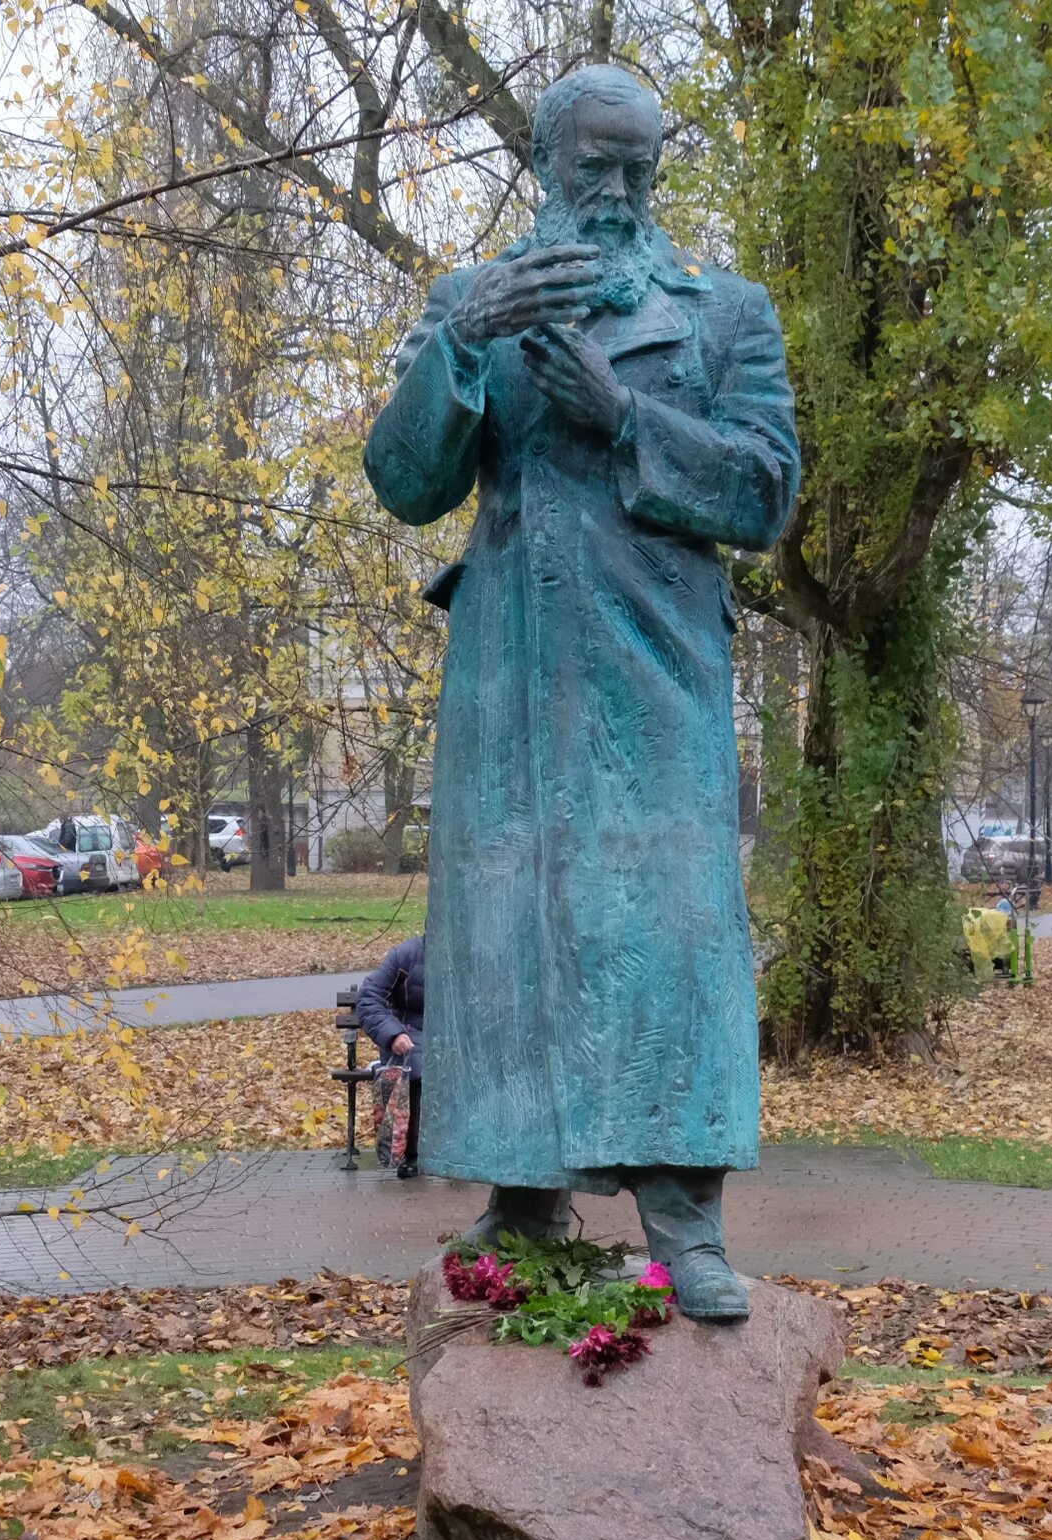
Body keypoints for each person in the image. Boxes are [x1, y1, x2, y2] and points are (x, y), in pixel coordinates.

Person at [364, 65, 800, 1322]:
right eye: (592, 167)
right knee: (508, 926)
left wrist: (623, 419)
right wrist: (464, 337)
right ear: (544, 164)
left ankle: (686, 1217)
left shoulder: (723, 314)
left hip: (657, 669)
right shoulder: (475, 299)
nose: (615, 191)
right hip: (509, 672)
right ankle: (519, 1192)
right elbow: (403, 482)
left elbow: (767, 491)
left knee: (671, 928)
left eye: (639, 167)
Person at [354, 935, 425, 1173]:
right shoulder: (405, 955)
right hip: (409, 1034)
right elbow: (369, 998)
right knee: (418, 1063)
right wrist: (393, 1034)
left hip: (454, 1033)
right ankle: (410, 1153)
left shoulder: (473, 953)